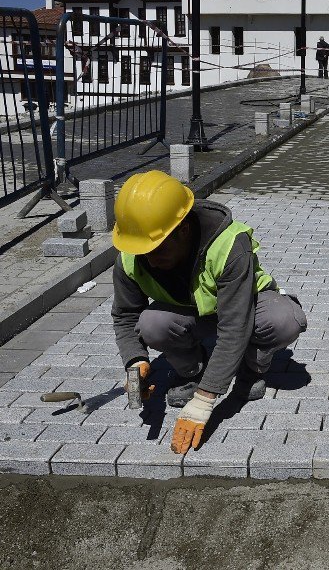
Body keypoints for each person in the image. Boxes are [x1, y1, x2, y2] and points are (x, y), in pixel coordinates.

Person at [112, 171, 307, 454]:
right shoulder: (133, 250)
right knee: (151, 323)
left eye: (158, 248)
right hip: (189, 314)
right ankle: (191, 371)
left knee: (284, 321)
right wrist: (136, 361)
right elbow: (126, 315)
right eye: (145, 251)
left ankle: (251, 368)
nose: (151, 259)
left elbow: (235, 326)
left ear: (184, 230)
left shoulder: (229, 244)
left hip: (244, 310)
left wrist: (205, 401)